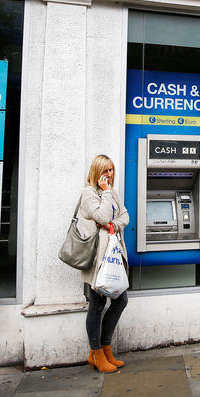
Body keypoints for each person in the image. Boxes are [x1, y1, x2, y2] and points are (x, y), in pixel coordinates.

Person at [77, 154, 129, 373]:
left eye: (111, 170)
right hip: (98, 258)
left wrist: (112, 226)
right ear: (96, 172)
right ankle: (96, 352)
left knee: (120, 300)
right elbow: (101, 215)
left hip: (113, 256)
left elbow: (125, 217)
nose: (109, 174)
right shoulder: (89, 193)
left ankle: (105, 348)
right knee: (96, 306)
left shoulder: (112, 193)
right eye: (105, 170)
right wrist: (106, 194)